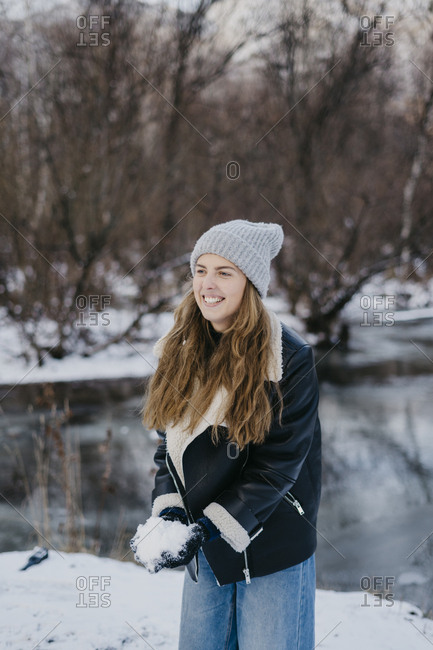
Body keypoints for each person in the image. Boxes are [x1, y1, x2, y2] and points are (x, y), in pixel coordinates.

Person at [131, 220, 321, 650]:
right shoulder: (179, 348)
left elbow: (277, 467)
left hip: (272, 542)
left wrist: (208, 529)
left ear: (249, 284)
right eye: (201, 269)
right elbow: (169, 446)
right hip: (206, 543)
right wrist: (172, 514)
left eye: (224, 272)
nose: (207, 284)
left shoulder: (290, 360)